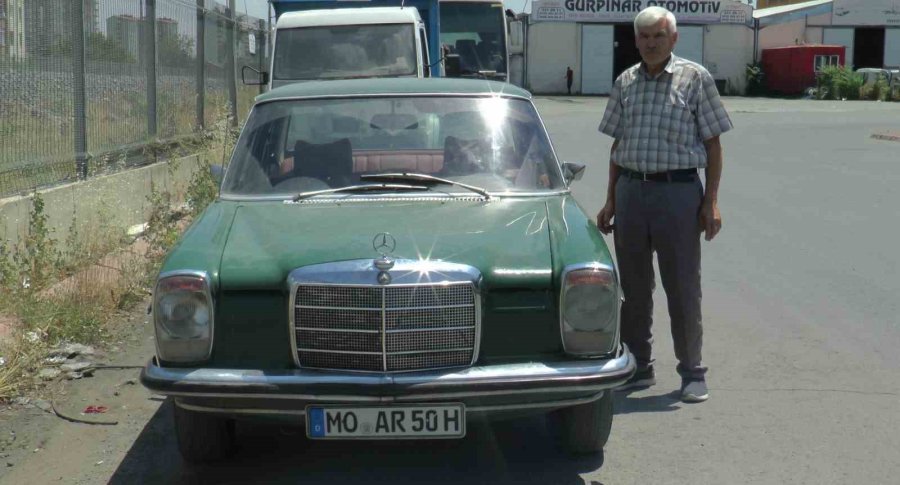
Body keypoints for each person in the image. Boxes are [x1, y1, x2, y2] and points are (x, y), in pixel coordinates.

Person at [596, 6, 732, 403]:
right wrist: (610, 199)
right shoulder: (625, 82)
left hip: (678, 194)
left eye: (658, 36)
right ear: (636, 41)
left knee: (682, 287)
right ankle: (639, 365)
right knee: (634, 289)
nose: (651, 43)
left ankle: (692, 371)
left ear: (673, 39)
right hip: (632, 194)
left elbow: (713, 145)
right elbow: (617, 146)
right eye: (644, 37)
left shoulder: (695, 79)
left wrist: (711, 202)